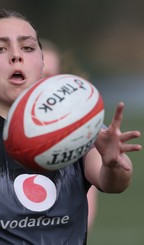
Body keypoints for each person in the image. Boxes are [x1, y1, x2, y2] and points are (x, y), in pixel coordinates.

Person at [0, 9, 142, 244]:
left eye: (27, 48)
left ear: (42, 63)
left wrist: (113, 164)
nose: (16, 56)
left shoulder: (75, 128)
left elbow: (113, 183)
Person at [41, 38, 98, 231]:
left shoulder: (77, 132)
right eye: (39, 75)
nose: (43, 83)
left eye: (49, 75)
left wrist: (113, 164)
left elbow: (85, 217)